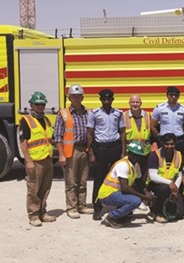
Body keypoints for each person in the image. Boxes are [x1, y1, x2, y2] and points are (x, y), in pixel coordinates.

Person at [54, 84, 93, 219]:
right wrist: (61, 154)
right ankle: (71, 207)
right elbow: (58, 136)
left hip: (85, 150)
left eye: (79, 96)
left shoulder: (89, 112)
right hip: (71, 150)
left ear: (82, 97)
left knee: (83, 180)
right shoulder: (63, 114)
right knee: (71, 181)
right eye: (74, 96)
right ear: (69, 97)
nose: (76, 98)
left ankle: (81, 206)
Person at [87, 88, 126, 220]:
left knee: (118, 178)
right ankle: (97, 208)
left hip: (115, 147)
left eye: (109, 99)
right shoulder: (94, 113)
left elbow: (122, 132)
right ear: (100, 100)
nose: (106, 101)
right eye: (104, 99)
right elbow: (90, 133)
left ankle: (119, 206)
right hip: (101, 149)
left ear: (112, 99)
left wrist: (123, 151)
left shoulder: (118, 113)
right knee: (99, 178)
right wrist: (91, 152)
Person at [97, 141, 154, 229]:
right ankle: (111, 217)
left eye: (138, 155)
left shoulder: (135, 165)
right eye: (134, 155)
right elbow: (125, 188)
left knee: (133, 195)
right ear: (129, 153)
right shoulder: (123, 165)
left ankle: (122, 216)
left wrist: (146, 192)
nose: (136, 157)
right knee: (136, 201)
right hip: (108, 194)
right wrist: (144, 197)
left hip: (117, 192)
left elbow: (139, 181)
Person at [20, 91, 55, 227]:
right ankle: (33, 215)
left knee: (45, 188)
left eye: (42, 104)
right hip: (35, 161)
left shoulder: (46, 120)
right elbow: (23, 143)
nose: (40, 106)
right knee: (33, 189)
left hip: (47, 158)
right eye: (37, 104)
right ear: (31, 105)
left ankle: (42, 212)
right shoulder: (26, 121)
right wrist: (28, 161)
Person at [146, 133, 184, 223]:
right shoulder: (155, 155)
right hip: (156, 184)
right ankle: (156, 212)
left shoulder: (179, 155)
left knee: (180, 214)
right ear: (163, 144)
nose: (169, 146)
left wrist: (176, 188)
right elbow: (153, 176)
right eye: (167, 144)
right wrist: (170, 183)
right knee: (164, 189)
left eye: (172, 144)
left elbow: (179, 174)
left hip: (172, 185)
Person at [150, 86, 184, 155]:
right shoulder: (159, 108)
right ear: (167, 95)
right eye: (171, 94)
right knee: (164, 162)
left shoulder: (183, 109)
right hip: (165, 140)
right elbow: (152, 126)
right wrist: (159, 137)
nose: (174, 97)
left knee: (180, 162)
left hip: (179, 140)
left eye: (176, 95)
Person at [123, 94, 151, 177]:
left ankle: (143, 189)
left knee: (144, 173)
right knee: (130, 172)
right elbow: (121, 133)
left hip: (144, 150)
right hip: (131, 151)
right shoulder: (123, 116)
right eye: (133, 102)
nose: (135, 104)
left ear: (141, 103)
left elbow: (152, 131)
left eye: (137, 102)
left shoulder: (148, 115)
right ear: (129, 103)